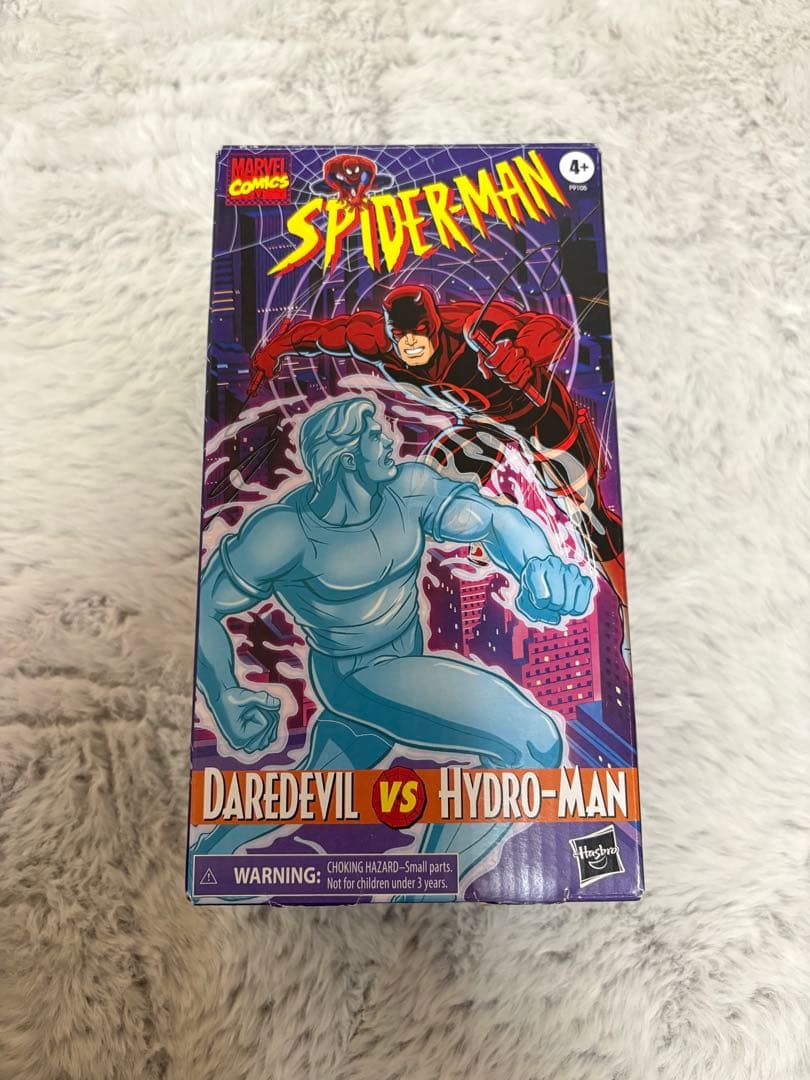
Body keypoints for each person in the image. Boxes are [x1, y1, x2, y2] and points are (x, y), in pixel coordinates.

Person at [191, 396, 593, 893]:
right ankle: (424, 888)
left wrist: (537, 565)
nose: (391, 441)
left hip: (403, 659)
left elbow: (492, 519)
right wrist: (225, 694)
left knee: (312, 789)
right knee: (532, 744)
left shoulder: (408, 489)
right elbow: (207, 604)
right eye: (374, 435)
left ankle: (209, 857)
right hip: (353, 676)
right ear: (345, 457)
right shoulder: (284, 533)